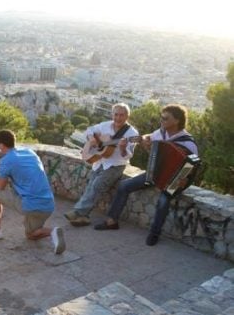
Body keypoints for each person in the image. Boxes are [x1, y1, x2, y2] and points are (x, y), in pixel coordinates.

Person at [95, 104, 199, 247]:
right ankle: (112, 221)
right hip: (154, 174)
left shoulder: (188, 143)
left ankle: (154, 233)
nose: (161, 120)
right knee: (124, 186)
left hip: (174, 181)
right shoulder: (161, 132)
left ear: (177, 121)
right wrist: (145, 140)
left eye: (165, 118)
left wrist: (184, 180)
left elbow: (192, 166)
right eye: (161, 117)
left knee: (163, 201)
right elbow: (147, 137)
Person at [0, 129, 66, 255]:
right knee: (30, 235)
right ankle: (52, 232)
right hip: (48, 205)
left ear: (1, 145)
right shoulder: (29, 152)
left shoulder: (7, 161)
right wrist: (1, 166)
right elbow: (19, 163)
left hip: (30, 205)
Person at [64, 103, 139, 227]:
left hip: (116, 165)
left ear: (127, 116)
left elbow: (128, 155)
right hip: (99, 162)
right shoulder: (105, 126)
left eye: (122, 115)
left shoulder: (132, 134)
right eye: (116, 114)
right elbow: (89, 131)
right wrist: (92, 139)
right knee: (91, 187)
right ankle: (84, 217)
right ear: (112, 114)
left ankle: (78, 212)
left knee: (97, 185)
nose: (118, 118)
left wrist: (123, 148)